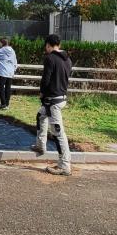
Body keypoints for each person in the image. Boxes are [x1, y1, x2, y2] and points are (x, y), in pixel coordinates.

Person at [33, 34, 72, 176]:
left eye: (46, 46)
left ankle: (64, 166)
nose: (46, 48)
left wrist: (42, 93)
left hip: (52, 101)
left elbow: (46, 79)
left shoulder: (50, 58)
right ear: (59, 44)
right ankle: (40, 146)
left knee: (58, 133)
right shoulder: (67, 59)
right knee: (40, 115)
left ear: (48, 45)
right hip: (61, 97)